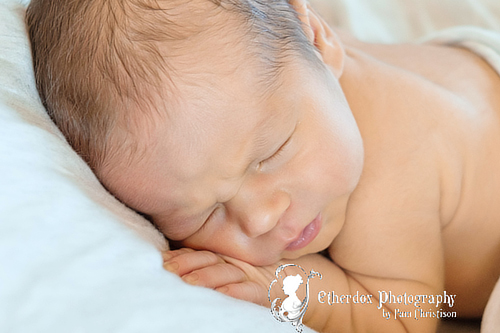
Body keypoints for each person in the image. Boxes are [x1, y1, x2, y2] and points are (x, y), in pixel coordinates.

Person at [26, 0, 500, 331]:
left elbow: (407, 317)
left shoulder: (390, 174)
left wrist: (283, 287)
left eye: (270, 154)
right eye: (204, 213)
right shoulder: (299, 88)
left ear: (319, 37)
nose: (260, 217)